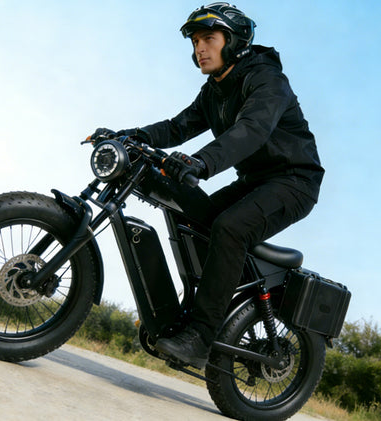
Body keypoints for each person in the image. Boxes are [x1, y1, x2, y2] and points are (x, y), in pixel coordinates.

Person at [89, 2, 324, 369]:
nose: (200, 48)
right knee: (193, 216)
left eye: (208, 39)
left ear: (234, 41)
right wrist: (130, 137)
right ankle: (196, 309)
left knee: (230, 228)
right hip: (254, 181)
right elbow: (177, 127)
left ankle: (201, 337)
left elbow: (252, 129)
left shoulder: (267, 80)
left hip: (294, 181)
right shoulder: (214, 90)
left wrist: (201, 162)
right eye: (196, 41)